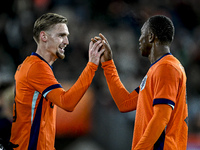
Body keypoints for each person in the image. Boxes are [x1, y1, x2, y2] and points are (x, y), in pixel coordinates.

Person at [9, 13, 104, 150]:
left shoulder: (30, 64)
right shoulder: (37, 67)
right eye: (61, 35)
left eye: (66, 36)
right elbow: (67, 102)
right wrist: (92, 66)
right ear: (44, 37)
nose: (67, 41)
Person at [96, 15, 188, 149]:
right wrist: (108, 64)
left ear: (151, 36)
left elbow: (161, 117)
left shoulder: (167, 67)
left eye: (141, 34)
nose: (139, 40)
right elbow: (125, 103)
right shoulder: (157, 69)